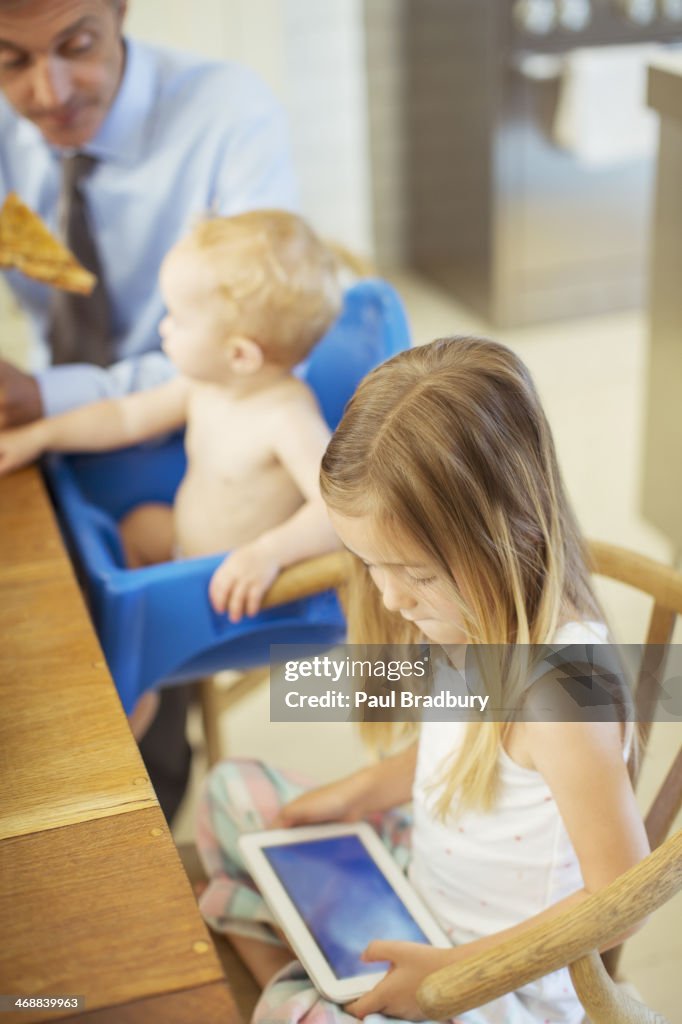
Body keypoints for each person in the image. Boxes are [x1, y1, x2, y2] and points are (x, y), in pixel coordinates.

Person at [194, 338, 650, 1024]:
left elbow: (621, 904)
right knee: (231, 793)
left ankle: (317, 986)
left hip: (499, 979)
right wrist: (357, 791)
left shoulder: (564, 690)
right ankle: (327, 980)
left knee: (294, 1009)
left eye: (414, 573)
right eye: (368, 563)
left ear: (505, 535)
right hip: (419, 880)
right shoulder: (473, 615)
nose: (388, 597)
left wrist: (455, 973)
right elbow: (461, 749)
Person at [0, 0, 298, 817]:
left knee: (88, 628)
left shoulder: (228, 118)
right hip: (80, 415)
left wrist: (43, 401)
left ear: (121, 10)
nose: (47, 91)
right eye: (9, 62)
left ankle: (139, 790)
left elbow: (257, 357)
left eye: (76, 46)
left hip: (195, 432)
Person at [0, 210, 341, 758]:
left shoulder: (287, 419)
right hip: (184, 547)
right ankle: (125, 632)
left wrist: (267, 553)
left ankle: (137, 687)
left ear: (240, 354)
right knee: (136, 528)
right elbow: (122, 417)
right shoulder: (206, 385)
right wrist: (40, 435)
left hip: (236, 591)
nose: (163, 329)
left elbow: (342, 513)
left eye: (177, 320)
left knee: (130, 619)